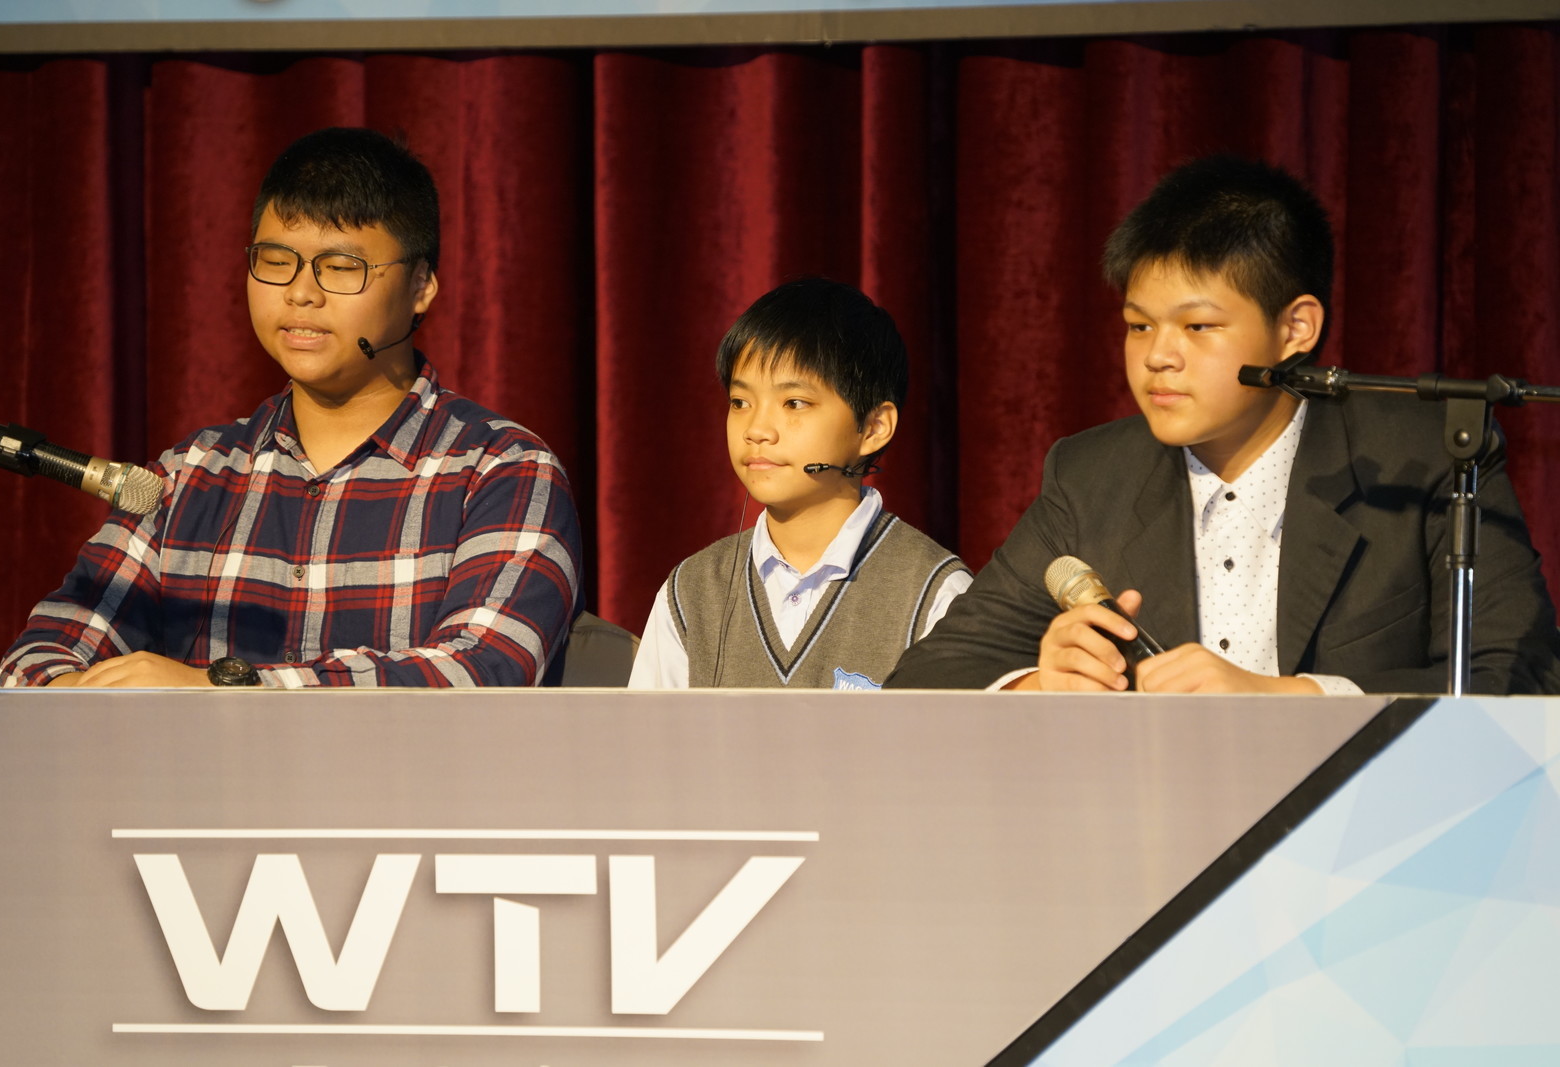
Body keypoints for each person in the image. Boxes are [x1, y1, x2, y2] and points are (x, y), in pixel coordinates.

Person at [886, 155, 1560, 695]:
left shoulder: (1420, 458)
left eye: (1198, 327)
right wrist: (1040, 684)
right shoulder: (1092, 475)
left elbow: (1522, 673)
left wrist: (1292, 698)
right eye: (1138, 326)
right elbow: (928, 675)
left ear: (1295, 328)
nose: (1158, 356)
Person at [0, 127, 583, 688]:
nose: (301, 293)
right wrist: (74, 690)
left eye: (341, 267)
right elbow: (38, 656)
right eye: (276, 261)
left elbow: (481, 673)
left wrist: (222, 689)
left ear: (421, 285)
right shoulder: (190, 475)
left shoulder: (501, 470)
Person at [629, 277, 971, 689]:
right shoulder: (690, 592)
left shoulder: (936, 596)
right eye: (740, 402)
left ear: (873, 427)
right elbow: (646, 731)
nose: (757, 429)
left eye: (794, 403)